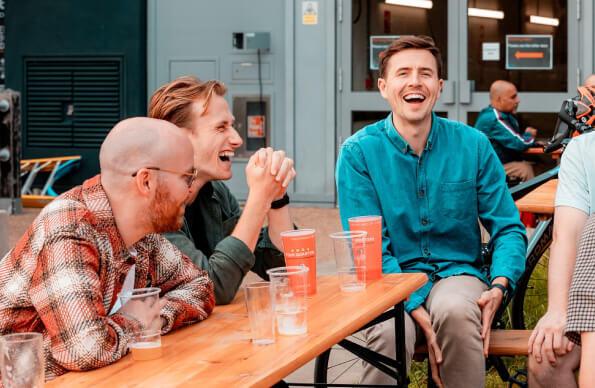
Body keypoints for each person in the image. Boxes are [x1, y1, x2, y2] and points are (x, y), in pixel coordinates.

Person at [335, 35, 527, 387]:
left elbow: (508, 227)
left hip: (458, 274)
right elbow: (368, 246)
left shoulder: (473, 145)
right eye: (403, 73)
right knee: (391, 333)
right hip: (390, 280)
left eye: (425, 73)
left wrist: (501, 284)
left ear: (438, 87)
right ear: (383, 86)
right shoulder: (358, 154)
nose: (414, 82)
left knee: (455, 310)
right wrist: (413, 303)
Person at [0, 117, 215, 381]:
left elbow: (201, 285)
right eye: (187, 177)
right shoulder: (69, 226)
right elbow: (86, 350)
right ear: (146, 181)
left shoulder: (141, 235)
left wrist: (153, 317)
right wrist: (135, 323)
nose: (191, 190)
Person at [149, 77, 295, 304]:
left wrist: (276, 198)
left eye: (232, 126)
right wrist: (259, 197)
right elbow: (213, 288)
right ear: (177, 137)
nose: (237, 140)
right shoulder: (150, 204)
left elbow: (286, 269)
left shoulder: (215, 192)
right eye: (221, 127)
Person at [527, 128, 595, 386]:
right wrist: (558, 310)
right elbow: (567, 233)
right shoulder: (583, 150)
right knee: (547, 359)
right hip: (591, 286)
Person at [475, 80, 537, 182]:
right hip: (488, 168)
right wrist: (529, 135)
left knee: (535, 165)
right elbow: (520, 143)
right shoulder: (494, 118)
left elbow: (513, 139)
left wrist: (534, 143)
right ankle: (530, 198)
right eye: (513, 97)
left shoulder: (503, 114)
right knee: (525, 169)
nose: (517, 100)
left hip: (498, 163)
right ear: (499, 100)